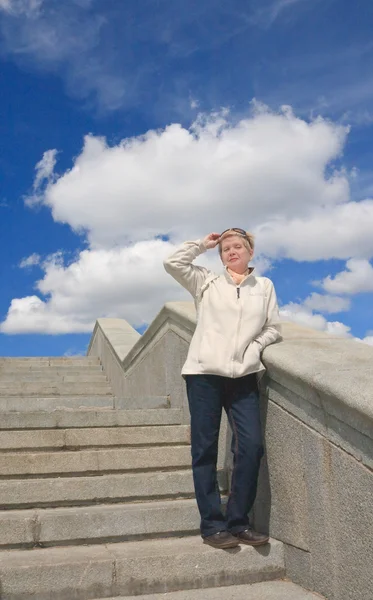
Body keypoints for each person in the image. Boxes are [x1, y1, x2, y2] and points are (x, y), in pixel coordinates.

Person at [163, 228, 281, 549]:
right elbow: (172, 262)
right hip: (203, 374)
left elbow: (273, 328)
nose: (231, 251)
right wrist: (202, 244)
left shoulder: (264, 286)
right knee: (204, 450)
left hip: (243, 375)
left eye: (238, 246)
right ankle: (213, 525)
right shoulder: (206, 281)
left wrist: (254, 348)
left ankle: (238, 521)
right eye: (226, 248)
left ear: (250, 252)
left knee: (252, 446)